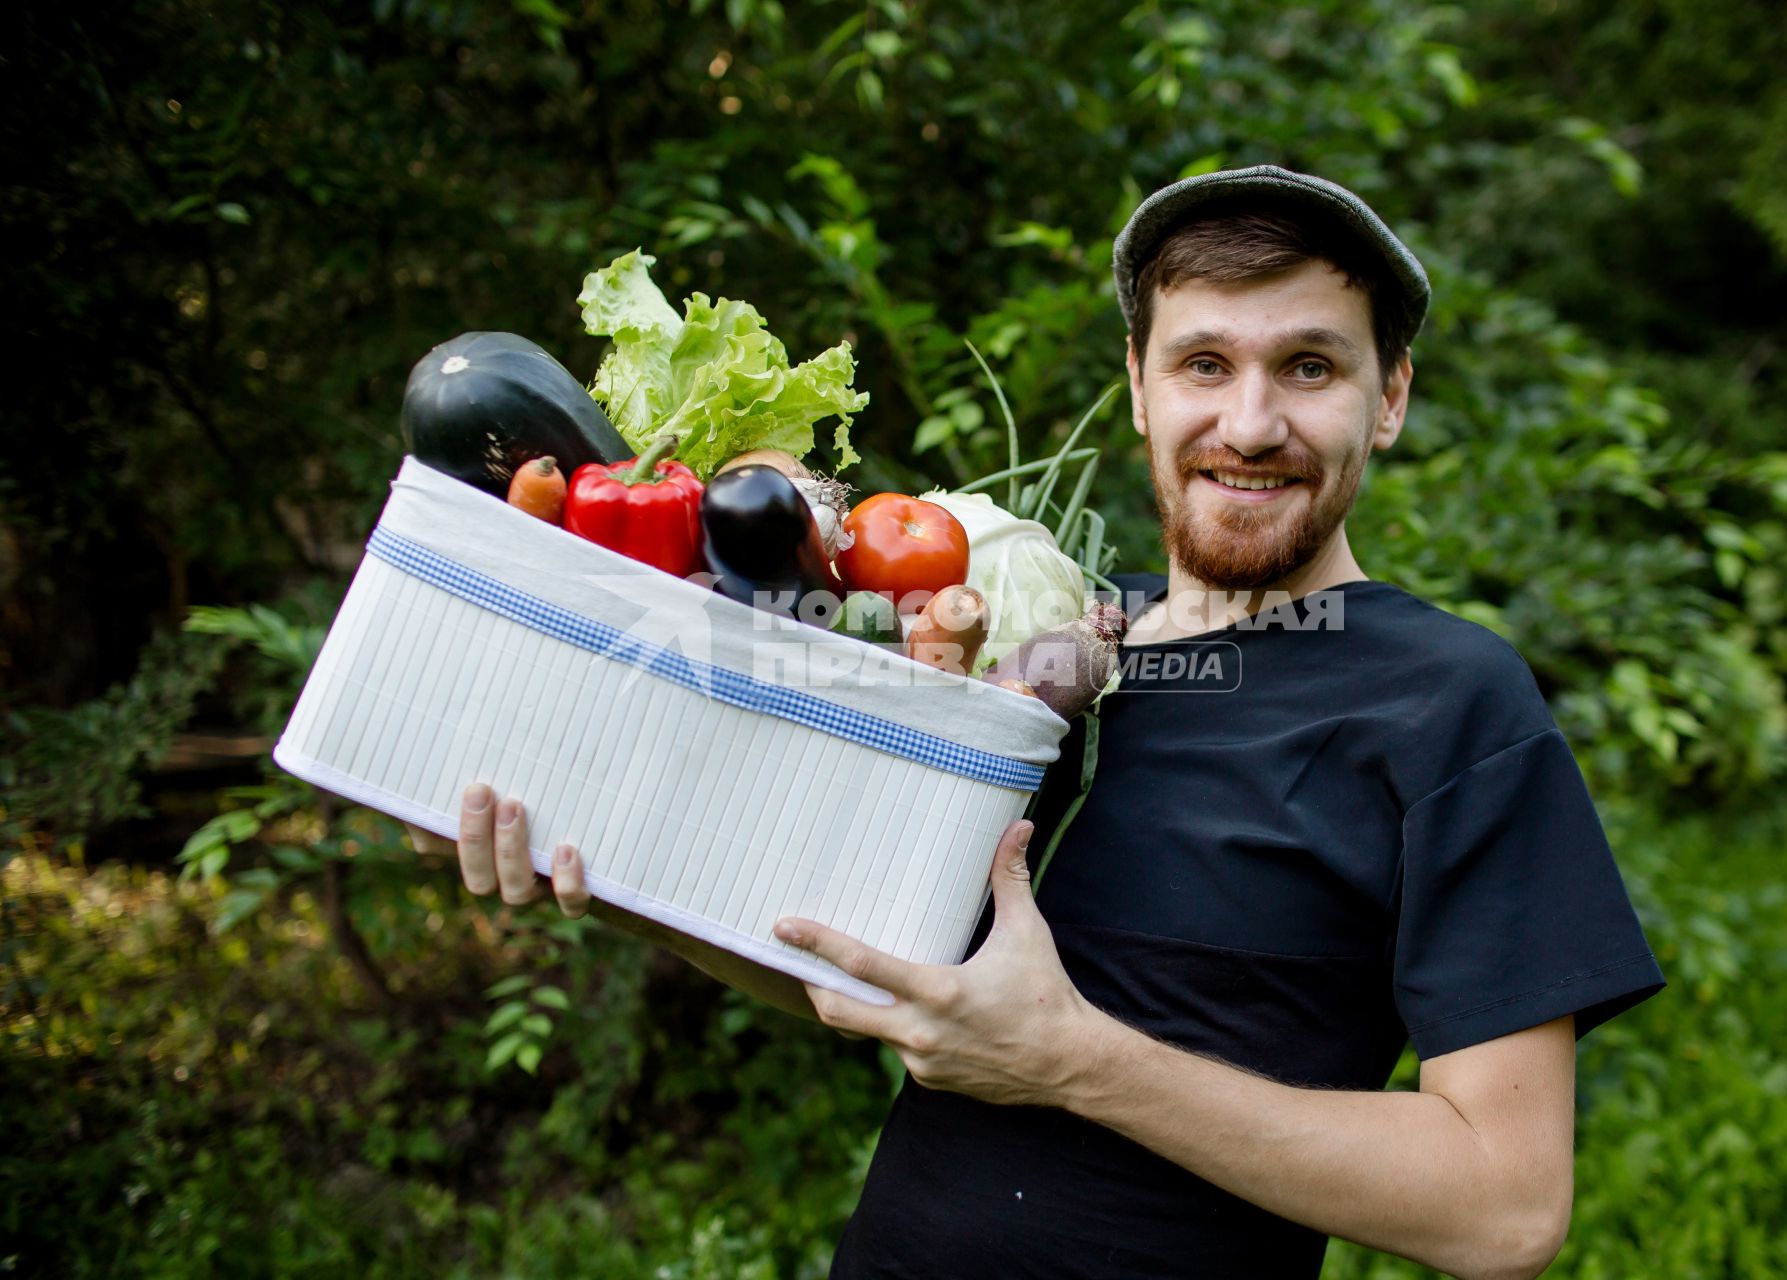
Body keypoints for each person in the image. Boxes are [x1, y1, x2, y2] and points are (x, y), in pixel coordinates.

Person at [413, 164, 1666, 1280]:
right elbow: (874, 974)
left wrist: (1072, 1058)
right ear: (1138, 387)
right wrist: (594, 862)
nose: (1249, 423)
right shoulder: (1049, 650)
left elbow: (1504, 1206)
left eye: (1311, 366)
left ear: (1387, 398)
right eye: (1203, 363)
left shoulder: (1451, 701)